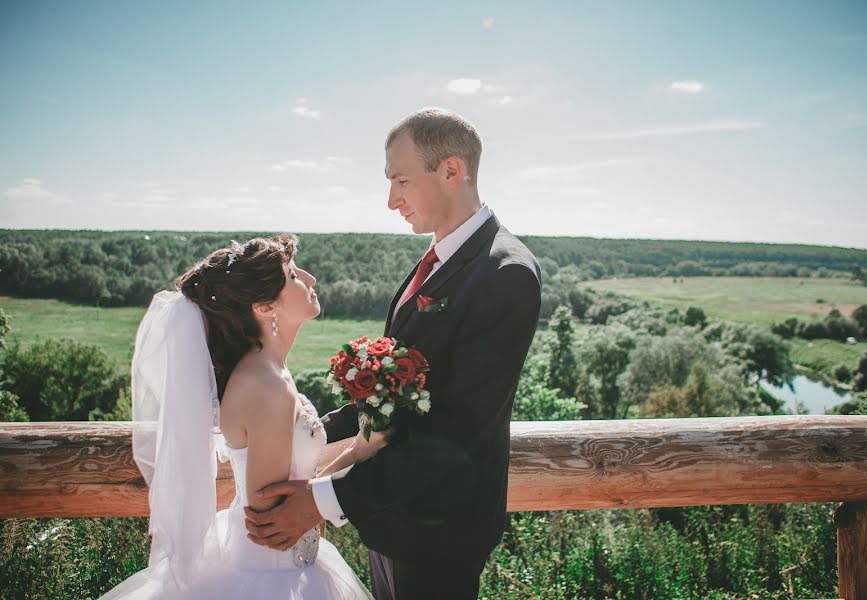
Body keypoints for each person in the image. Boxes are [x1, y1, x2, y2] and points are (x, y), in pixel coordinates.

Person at [244, 109, 543, 599]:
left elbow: (456, 433)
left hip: (439, 533)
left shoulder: (504, 274)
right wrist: (303, 433)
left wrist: (321, 501)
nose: (390, 201)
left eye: (401, 181)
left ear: (451, 171)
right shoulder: (438, 260)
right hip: (389, 521)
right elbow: (391, 399)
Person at [100, 234, 383, 599]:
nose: (310, 278)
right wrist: (357, 452)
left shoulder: (269, 372)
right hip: (271, 576)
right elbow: (270, 512)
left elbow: (294, 471)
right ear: (265, 306)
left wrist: (361, 441)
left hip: (283, 567)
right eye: (294, 276)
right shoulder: (266, 385)